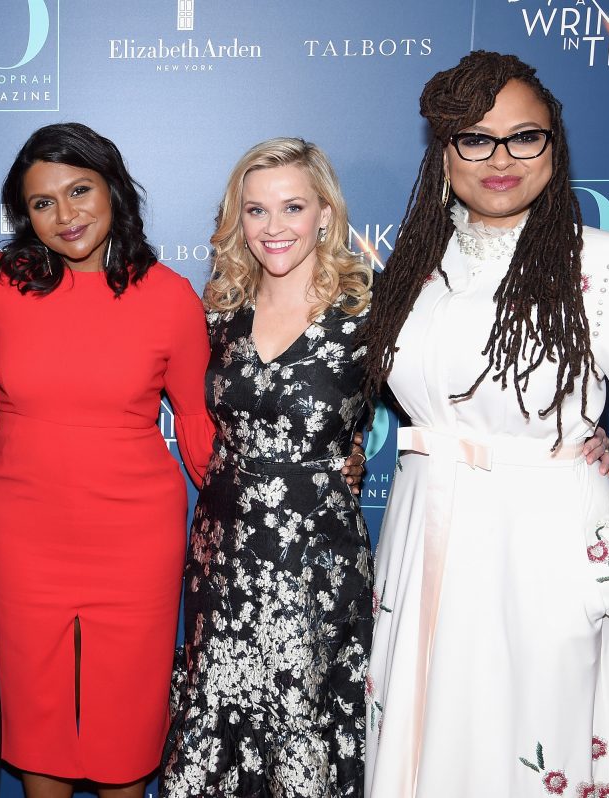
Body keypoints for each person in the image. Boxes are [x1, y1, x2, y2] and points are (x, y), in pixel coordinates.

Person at [360, 51, 609, 798]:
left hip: (548, 561)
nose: (500, 159)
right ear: (445, 151)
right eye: (475, 139)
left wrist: (600, 581)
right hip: (421, 549)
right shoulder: (416, 270)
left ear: (554, 144)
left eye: (524, 137)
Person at [0, 122, 213, 797]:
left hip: (134, 539)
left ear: (113, 190)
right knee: (33, 706)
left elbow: (197, 423)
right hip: (21, 533)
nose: (65, 215)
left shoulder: (170, 297)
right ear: (24, 214)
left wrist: (270, 488)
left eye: (79, 191)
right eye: (43, 202)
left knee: (126, 713)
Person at [161, 138, 374, 796]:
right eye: (256, 210)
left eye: (292, 207)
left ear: (325, 214)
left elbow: (447, 391)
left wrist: (571, 433)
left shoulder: (368, 315)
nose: (273, 227)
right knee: (214, 716)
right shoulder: (219, 311)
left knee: (300, 717)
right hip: (222, 554)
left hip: (315, 563)